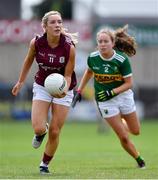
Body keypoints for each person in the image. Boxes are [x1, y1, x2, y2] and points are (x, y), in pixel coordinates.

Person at [12, 11, 78, 174]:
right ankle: (41, 132)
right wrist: (20, 81)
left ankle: (44, 164)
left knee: (55, 130)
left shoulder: (69, 47)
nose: (57, 25)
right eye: (53, 22)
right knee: (38, 128)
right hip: (42, 85)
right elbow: (28, 61)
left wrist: (63, 89)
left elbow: (68, 75)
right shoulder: (36, 43)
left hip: (64, 87)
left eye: (59, 22)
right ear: (45, 26)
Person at [72, 25, 146, 169]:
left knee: (135, 131)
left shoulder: (121, 59)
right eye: (100, 41)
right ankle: (139, 159)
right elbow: (88, 72)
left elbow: (129, 84)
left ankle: (122, 122)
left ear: (112, 43)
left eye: (106, 41)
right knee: (123, 136)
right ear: (97, 43)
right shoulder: (93, 58)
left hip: (123, 97)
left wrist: (111, 92)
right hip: (105, 102)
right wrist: (79, 91)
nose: (103, 44)